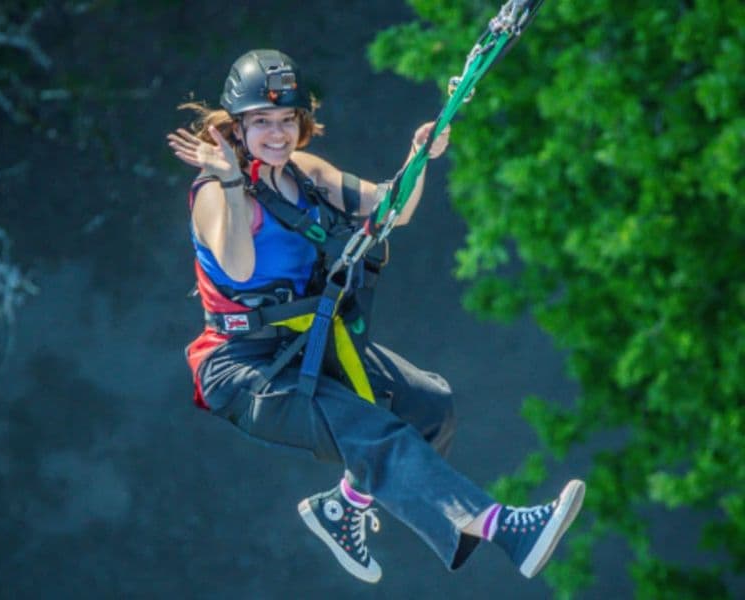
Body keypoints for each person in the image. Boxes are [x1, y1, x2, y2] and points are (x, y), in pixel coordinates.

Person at [168, 49, 584, 584]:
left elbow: (393, 209)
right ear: (237, 126)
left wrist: (419, 157)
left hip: (306, 346)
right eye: (262, 122)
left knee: (429, 404)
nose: (277, 134)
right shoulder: (214, 194)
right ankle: (504, 528)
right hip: (244, 368)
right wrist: (227, 181)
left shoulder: (306, 174)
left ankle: (343, 508)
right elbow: (240, 270)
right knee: (374, 430)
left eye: (287, 120)